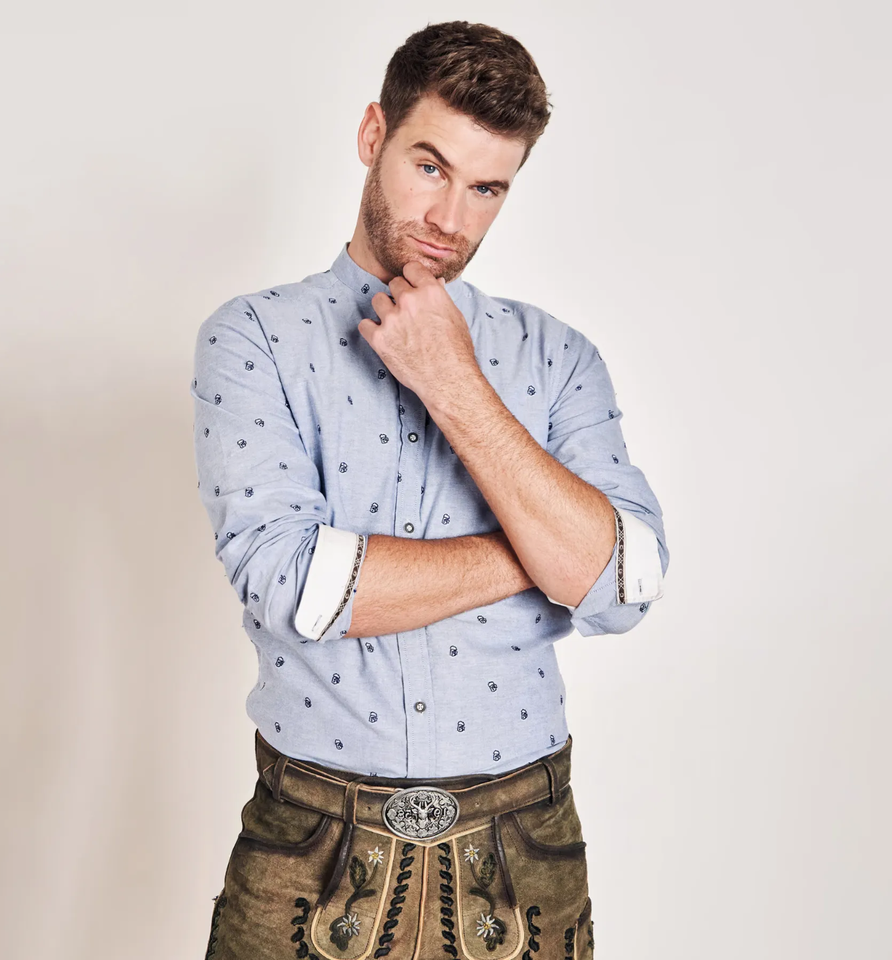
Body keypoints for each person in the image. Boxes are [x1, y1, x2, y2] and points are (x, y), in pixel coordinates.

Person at [192, 19, 668, 960]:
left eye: (487, 188)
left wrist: (455, 383)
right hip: (310, 850)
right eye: (430, 166)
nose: (450, 218)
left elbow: (623, 589)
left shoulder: (558, 359)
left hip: (523, 854)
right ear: (373, 135)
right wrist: (544, 551)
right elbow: (300, 587)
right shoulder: (255, 340)